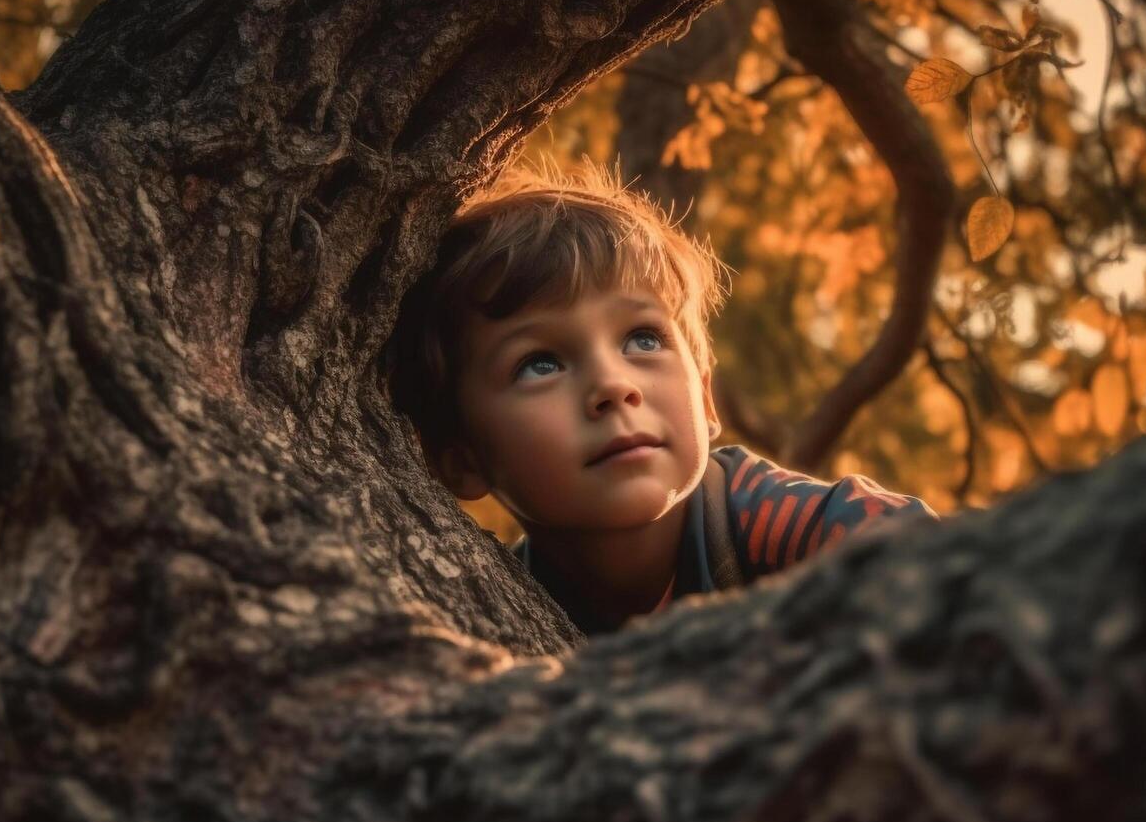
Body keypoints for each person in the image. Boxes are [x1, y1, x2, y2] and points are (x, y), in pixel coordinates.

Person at [385, 164, 934, 636]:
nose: (614, 385)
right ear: (460, 457)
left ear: (705, 396)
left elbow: (947, 563)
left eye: (643, 339)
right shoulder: (478, 603)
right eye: (540, 364)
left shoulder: (769, 521)